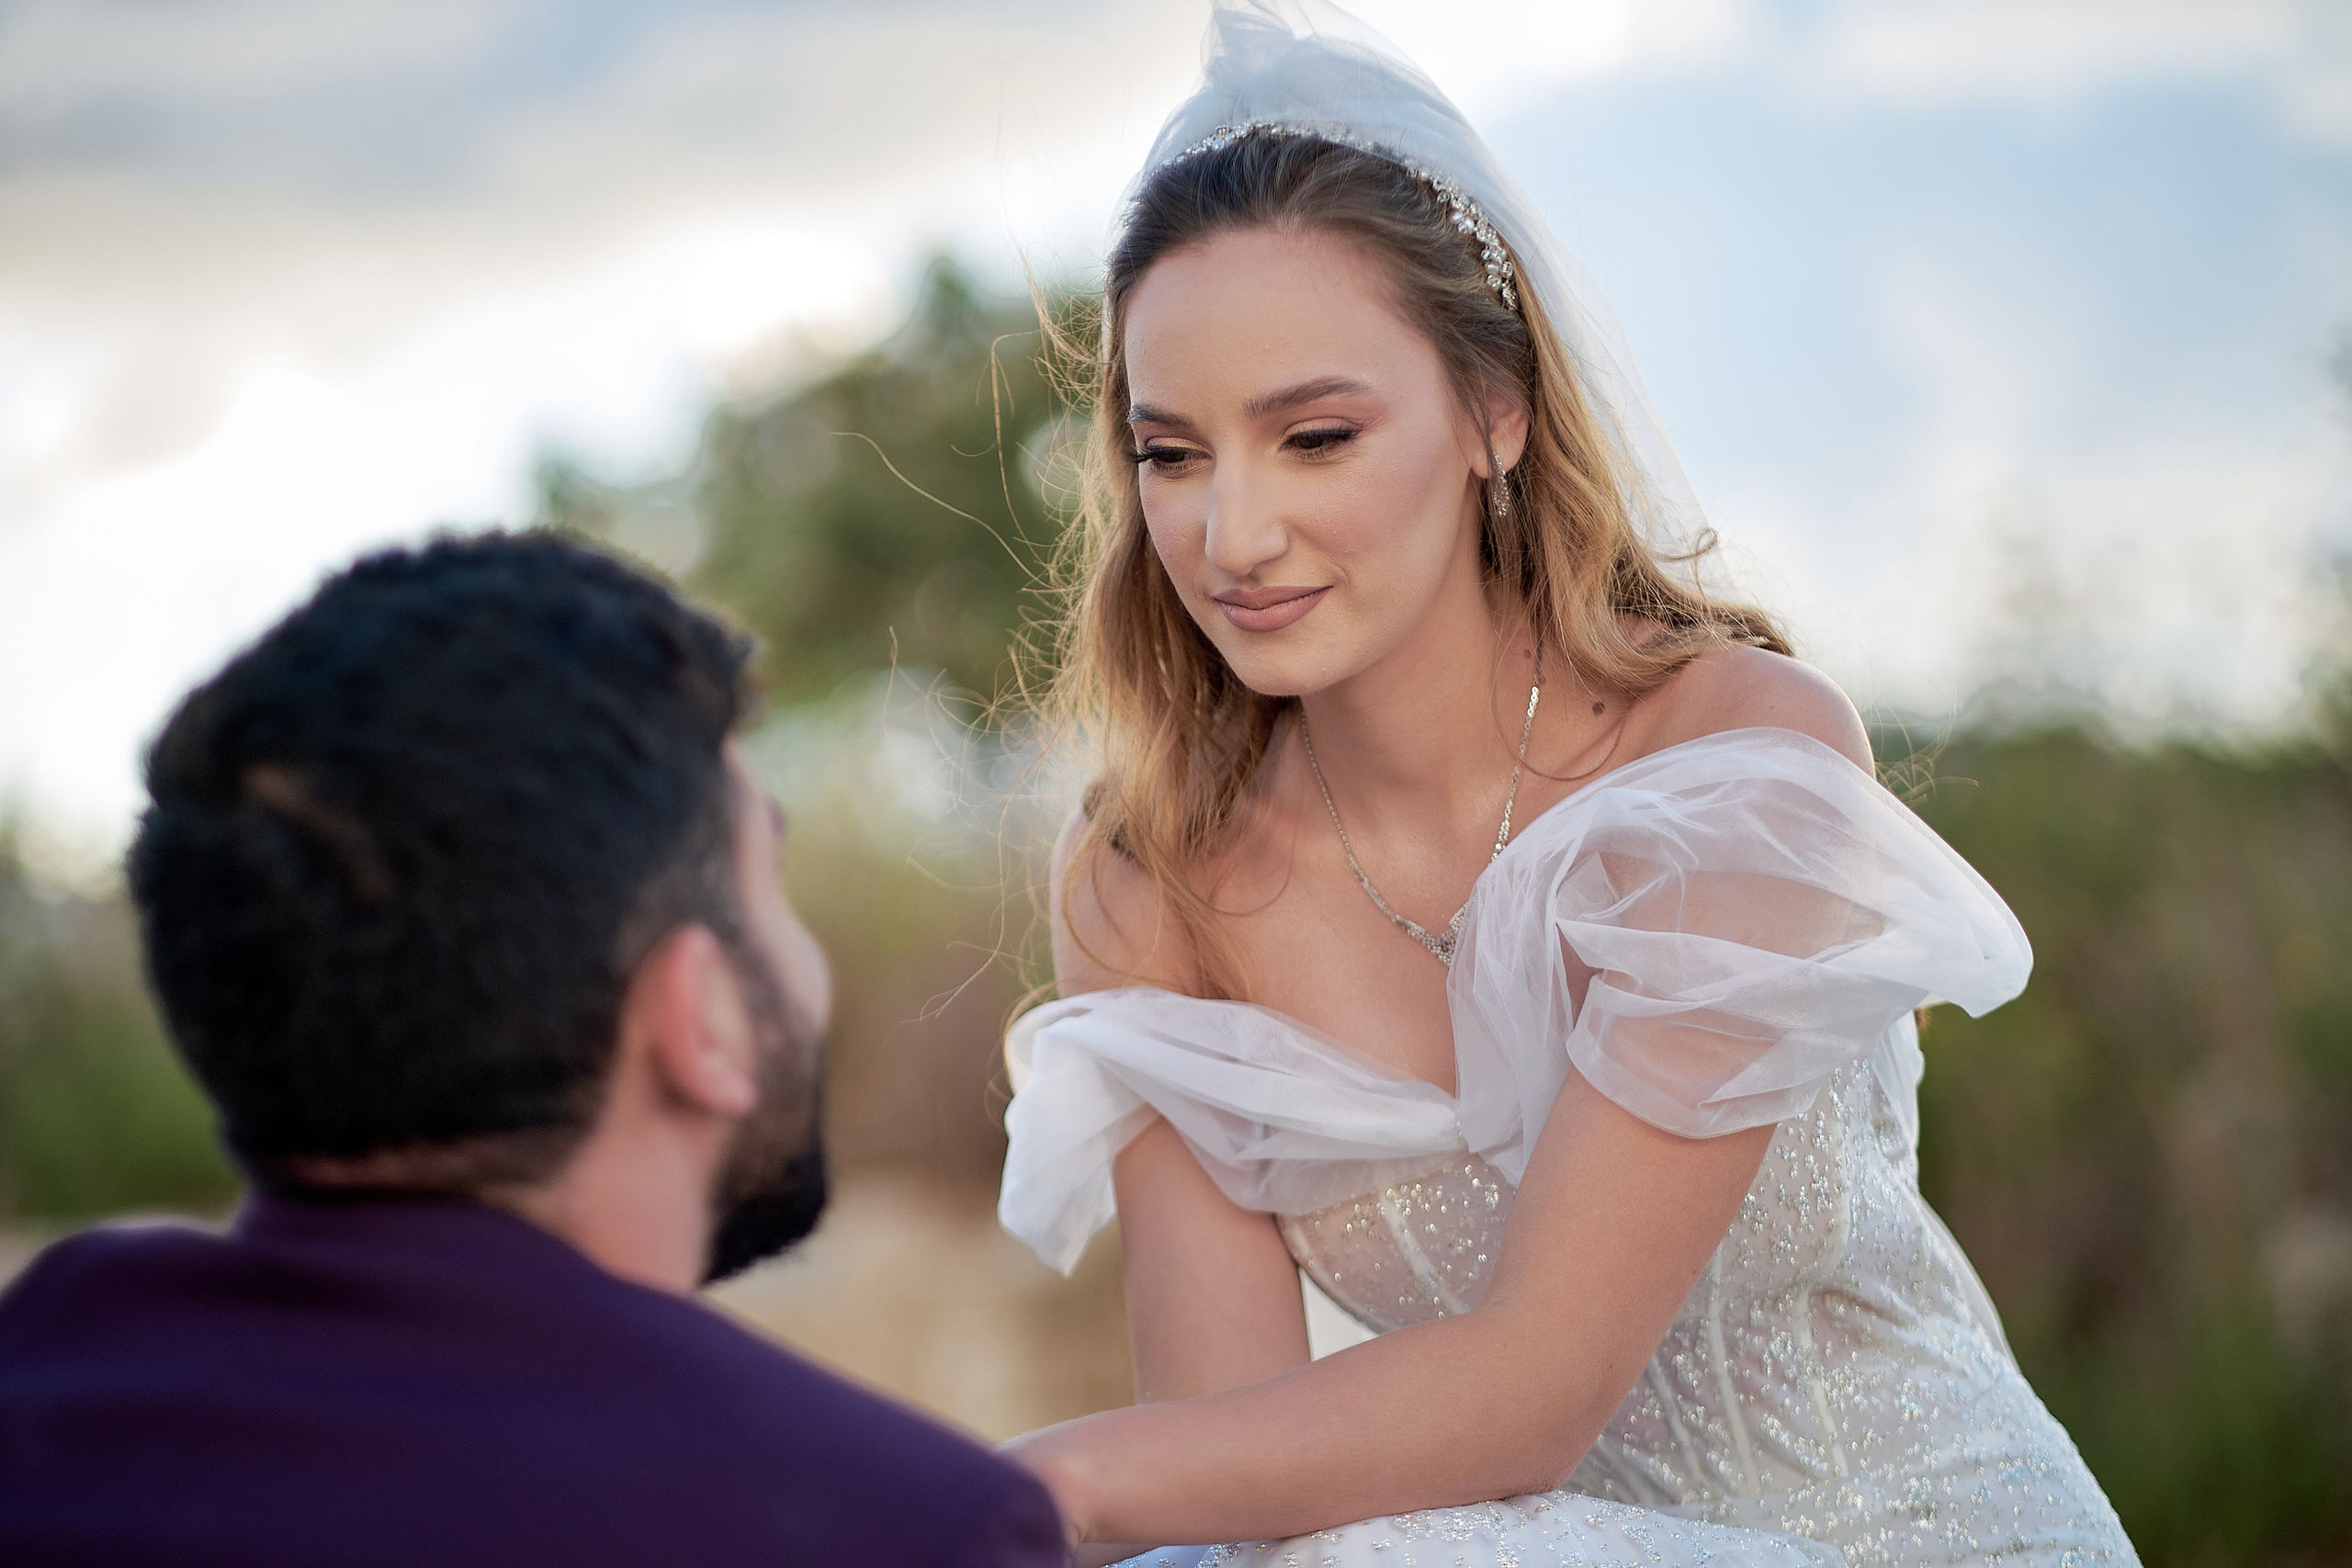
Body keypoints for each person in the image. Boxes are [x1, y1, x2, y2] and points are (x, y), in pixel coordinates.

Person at [990, 3, 2141, 1565]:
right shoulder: (1150, 876)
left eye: (1314, 437)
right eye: (1170, 453)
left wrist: (1016, 1490)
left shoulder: (1733, 759)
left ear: (1495, 412)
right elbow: (1228, 1450)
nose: (1231, 534)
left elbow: (1538, 1385)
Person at [0, 534, 1065, 1568]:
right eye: (766, 882)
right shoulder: (899, 1527)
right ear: (701, 1018)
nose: (810, 962)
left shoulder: (42, 1371)